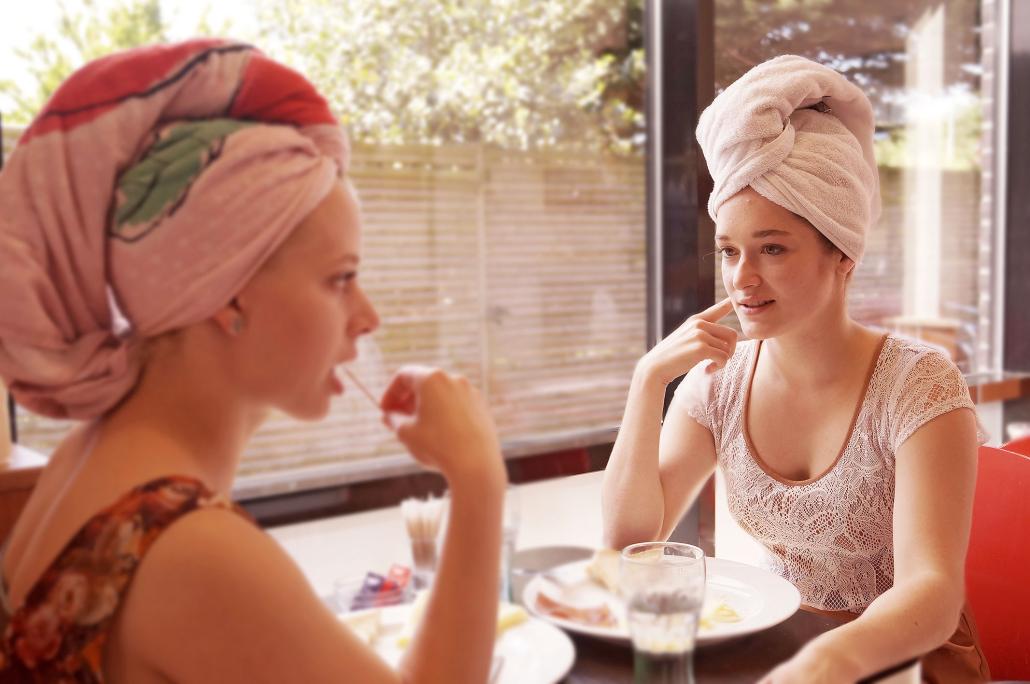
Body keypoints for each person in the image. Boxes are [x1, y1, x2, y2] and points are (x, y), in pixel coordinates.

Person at [0, 39, 507, 683]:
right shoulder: (189, 546)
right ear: (226, 294)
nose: (368, 316)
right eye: (340, 279)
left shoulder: (89, 456)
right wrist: (479, 479)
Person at [602, 55, 990, 683]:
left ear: (843, 254)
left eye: (772, 248)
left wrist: (825, 661)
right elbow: (632, 542)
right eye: (730, 250)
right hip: (779, 657)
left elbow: (934, 591)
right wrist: (647, 383)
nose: (742, 277)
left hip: (905, 663)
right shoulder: (717, 382)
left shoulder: (920, 384)